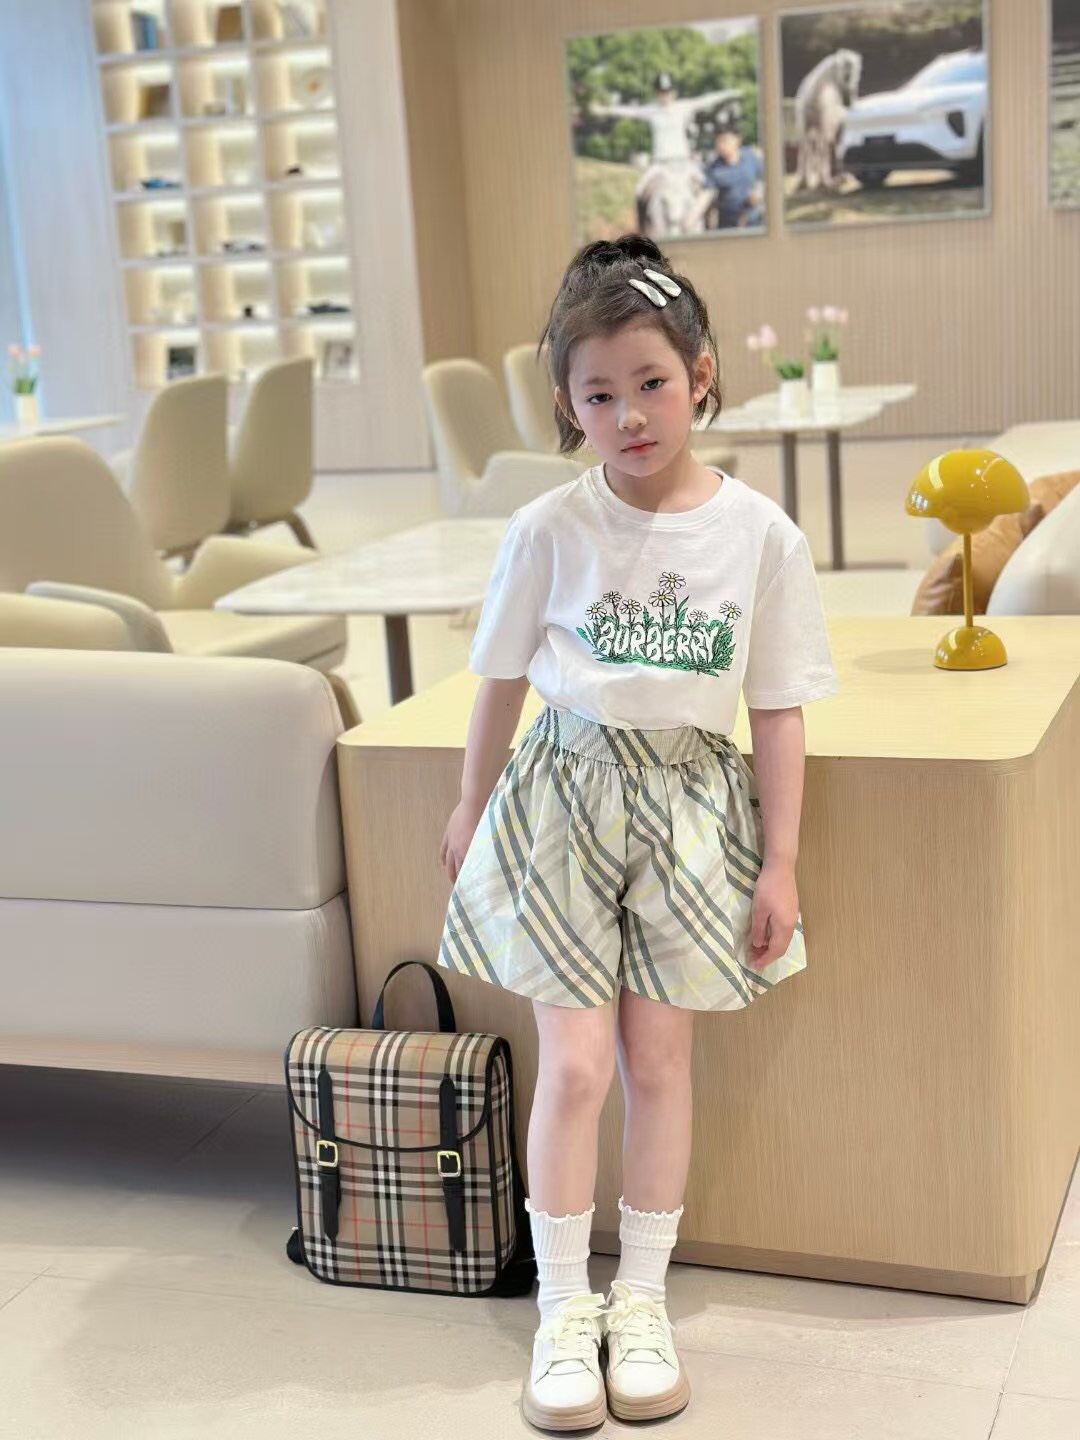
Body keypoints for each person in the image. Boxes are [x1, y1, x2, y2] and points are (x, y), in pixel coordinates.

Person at [437, 234, 837, 1432]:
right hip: (562, 801)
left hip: (692, 815)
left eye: (651, 383)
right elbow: (502, 678)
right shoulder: (546, 529)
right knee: (576, 1066)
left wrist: (780, 860)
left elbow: (778, 707)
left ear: (700, 376)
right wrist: (469, 803)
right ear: (567, 404)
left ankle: (643, 1298)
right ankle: (565, 1307)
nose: (628, 415)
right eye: (598, 394)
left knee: (660, 1065)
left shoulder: (761, 536)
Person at [591, 73, 741, 237]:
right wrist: (602, 110)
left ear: (674, 92)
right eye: (662, 92)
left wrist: (732, 92)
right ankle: (642, 231)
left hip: (684, 164)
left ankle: (709, 226)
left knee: (707, 187)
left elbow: (707, 100)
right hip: (660, 165)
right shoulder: (651, 111)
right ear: (657, 93)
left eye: (668, 91)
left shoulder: (683, 107)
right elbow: (629, 111)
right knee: (639, 191)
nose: (666, 95)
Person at [697, 124, 765, 230]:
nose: (721, 146)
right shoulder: (714, 170)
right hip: (729, 227)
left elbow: (763, 179)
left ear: (737, 140)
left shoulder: (751, 157)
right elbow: (705, 196)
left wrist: (758, 194)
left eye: (725, 140)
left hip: (755, 222)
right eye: (718, 142)